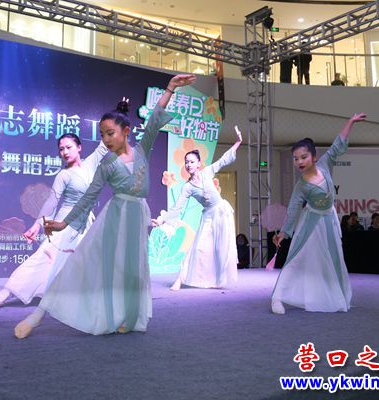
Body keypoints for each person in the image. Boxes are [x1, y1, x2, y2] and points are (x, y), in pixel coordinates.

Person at [14, 74, 196, 338]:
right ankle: (40, 314)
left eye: (110, 133)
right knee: (94, 266)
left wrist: (170, 88)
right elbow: (89, 197)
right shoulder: (107, 165)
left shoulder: (142, 150)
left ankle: (129, 318)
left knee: (134, 271)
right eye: (102, 135)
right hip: (116, 216)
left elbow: (155, 120)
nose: (106, 139)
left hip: (137, 215)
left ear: (126, 132)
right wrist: (63, 223)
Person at [0, 134, 107, 310]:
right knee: (43, 259)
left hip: (85, 223)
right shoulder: (64, 175)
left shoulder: (91, 163)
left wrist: (119, 119)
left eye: (69, 147)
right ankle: (5, 293)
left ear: (79, 147)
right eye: (61, 149)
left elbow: (106, 143)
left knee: (81, 263)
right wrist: (37, 224)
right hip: (65, 223)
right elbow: (52, 201)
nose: (65, 152)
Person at [271, 112, 366, 314]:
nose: (299, 161)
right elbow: (293, 209)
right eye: (296, 158)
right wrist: (284, 233)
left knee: (334, 256)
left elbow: (337, 144)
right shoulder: (301, 186)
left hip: (329, 219)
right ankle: (277, 297)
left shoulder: (324, 164)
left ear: (314, 157)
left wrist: (350, 122)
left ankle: (338, 295)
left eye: (304, 157)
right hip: (311, 221)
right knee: (296, 256)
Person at [151, 126, 242, 290]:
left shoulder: (207, 172)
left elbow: (223, 160)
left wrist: (237, 143)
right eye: (186, 162)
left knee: (221, 248)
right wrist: (161, 220)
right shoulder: (187, 187)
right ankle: (180, 278)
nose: (188, 164)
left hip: (222, 212)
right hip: (208, 216)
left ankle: (219, 280)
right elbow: (177, 208)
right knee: (198, 247)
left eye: (192, 162)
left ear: (199, 164)